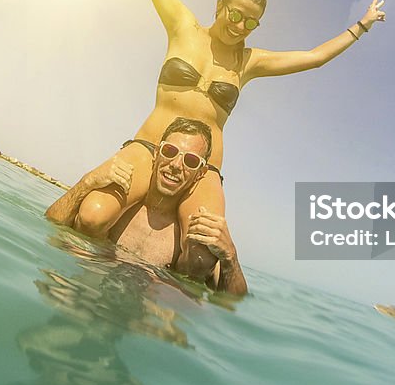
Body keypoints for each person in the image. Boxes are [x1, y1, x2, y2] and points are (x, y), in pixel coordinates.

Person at [74, 0, 387, 279]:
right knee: (94, 215)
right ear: (220, 5)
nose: (240, 26)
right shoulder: (182, 28)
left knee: (203, 256)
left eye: (251, 22)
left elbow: (313, 58)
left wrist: (361, 25)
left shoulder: (250, 61)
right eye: (235, 14)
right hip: (150, 146)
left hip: (205, 168)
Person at [46, 117, 248, 296]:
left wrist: (231, 256)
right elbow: (50, 223)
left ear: (201, 173)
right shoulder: (120, 211)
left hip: (145, 320)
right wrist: (86, 183)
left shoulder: (190, 238)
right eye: (170, 151)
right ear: (156, 154)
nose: (176, 165)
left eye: (191, 160)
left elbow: (233, 304)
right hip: (84, 290)